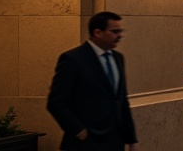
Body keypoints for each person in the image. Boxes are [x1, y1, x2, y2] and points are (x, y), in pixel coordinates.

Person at [47, 11, 138, 151]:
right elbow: (56, 102)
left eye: (120, 31)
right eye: (114, 31)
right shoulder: (73, 60)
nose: (120, 36)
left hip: (114, 142)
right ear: (98, 32)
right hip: (85, 143)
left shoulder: (118, 58)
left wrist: (131, 138)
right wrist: (79, 130)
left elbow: (121, 101)